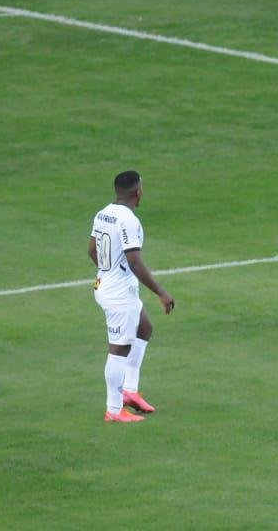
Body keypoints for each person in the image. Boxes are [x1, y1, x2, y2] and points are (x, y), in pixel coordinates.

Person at [89, 170, 176, 423]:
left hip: (108, 284)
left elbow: (92, 249)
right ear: (137, 192)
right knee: (119, 349)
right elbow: (135, 261)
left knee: (144, 329)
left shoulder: (103, 213)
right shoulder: (128, 220)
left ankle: (130, 390)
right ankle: (114, 409)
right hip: (118, 293)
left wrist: (107, 271)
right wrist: (161, 292)